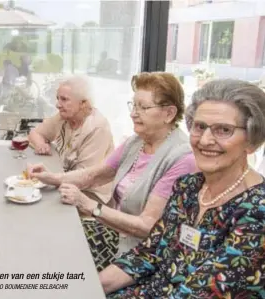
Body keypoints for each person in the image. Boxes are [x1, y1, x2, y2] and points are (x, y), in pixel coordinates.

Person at [100, 78, 265, 298]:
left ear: (251, 140)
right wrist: (92, 286)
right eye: (199, 127)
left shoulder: (257, 211)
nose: (205, 140)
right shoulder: (188, 187)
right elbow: (149, 253)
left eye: (223, 130)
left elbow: (202, 293)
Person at [29, 72, 197, 271]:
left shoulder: (181, 157)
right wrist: (53, 178)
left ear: (169, 113)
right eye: (133, 105)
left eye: (143, 107)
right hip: (117, 233)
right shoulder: (136, 142)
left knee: (61, 262)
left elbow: (147, 226)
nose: (133, 113)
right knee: (48, 239)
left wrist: (87, 204)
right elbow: (94, 174)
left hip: (143, 253)